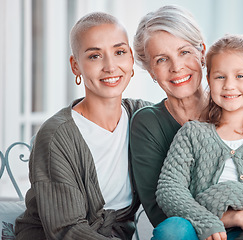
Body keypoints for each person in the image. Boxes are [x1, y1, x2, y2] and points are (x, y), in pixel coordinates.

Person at [130, 5, 243, 240]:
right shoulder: (161, 126)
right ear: (151, 71)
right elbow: (163, 208)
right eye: (161, 59)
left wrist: (229, 199)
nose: (176, 67)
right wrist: (236, 215)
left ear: (202, 55)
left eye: (185, 52)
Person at [15, 12, 150, 240]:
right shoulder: (57, 136)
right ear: (75, 66)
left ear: (131, 59)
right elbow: (66, 230)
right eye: (95, 56)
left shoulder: (143, 116)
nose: (110, 66)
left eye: (119, 52)